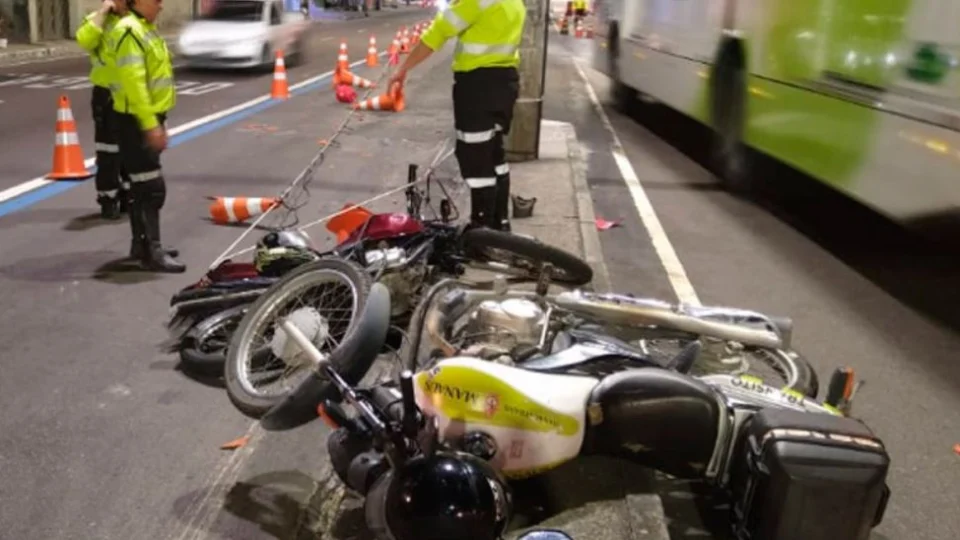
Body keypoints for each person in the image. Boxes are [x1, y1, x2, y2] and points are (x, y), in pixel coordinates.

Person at [389, 0, 525, 232]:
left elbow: (439, 32)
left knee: (475, 157)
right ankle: (500, 224)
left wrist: (402, 69)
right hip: (505, 83)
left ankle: (482, 232)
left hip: (478, 86)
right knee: (494, 154)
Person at [109, 0, 185, 273]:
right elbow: (135, 85)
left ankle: (143, 245)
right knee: (151, 189)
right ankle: (150, 251)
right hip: (135, 122)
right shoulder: (130, 31)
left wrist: (158, 121)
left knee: (141, 188)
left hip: (144, 119)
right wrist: (150, 125)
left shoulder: (143, 28)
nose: (161, 5)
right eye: (156, 0)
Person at [76, 0, 131, 220]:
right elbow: (85, 40)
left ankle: (129, 197)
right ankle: (108, 199)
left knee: (132, 150)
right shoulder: (96, 21)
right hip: (106, 96)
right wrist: (103, 12)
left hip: (131, 95)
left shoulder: (135, 22)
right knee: (108, 152)